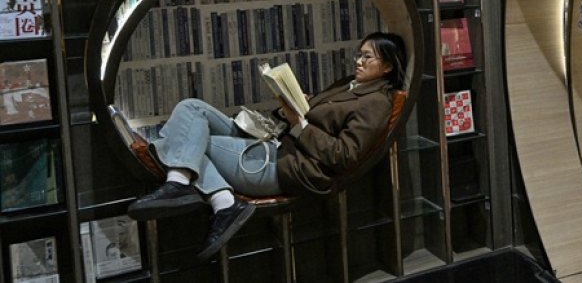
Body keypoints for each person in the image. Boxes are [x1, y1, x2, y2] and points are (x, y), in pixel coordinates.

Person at [126, 31, 408, 260]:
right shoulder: (350, 85)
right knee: (192, 109)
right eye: (359, 55)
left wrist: (300, 124)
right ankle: (205, 193)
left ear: (387, 66)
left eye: (367, 57)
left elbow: (343, 155)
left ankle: (200, 193)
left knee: (194, 144)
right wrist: (296, 104)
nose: (358, 61)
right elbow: (313, 116)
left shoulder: (377, 102)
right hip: (276, 144)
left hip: (289, 166)